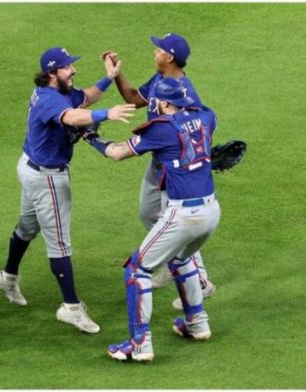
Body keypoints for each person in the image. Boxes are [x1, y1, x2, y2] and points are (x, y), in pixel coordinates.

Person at [0, 47, 135, 334]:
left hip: (30, 167)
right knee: (60, 244)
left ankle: (8, 276)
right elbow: (72, 118)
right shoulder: (48, 99)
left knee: (27, 226)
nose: (73, 70)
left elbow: (85, 98)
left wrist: (109, 78)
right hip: (47, 179)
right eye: (67, 67)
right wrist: (108, 113)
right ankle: (71, 307)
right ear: (51, 73)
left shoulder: (60, 90)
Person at [84, 77, 219, 362]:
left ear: (165, 103)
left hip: (184, 214)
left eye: (157, 98)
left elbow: (118, 152)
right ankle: (197, 323)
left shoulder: (162, 130)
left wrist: (91, 138)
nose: (152, 101)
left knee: (136, 270)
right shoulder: (207, 117)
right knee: (182, 259)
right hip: (211, 211)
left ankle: (140, 344)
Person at [102, 33, 216, 309]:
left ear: (170, 57)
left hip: (173, 168)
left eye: (159, 50)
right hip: (157, 159)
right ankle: (172, 259)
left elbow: (197, 127)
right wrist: (116, 74)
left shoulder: (184, 92)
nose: (154, 52)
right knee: (147, 213)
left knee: (175, 220)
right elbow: (131, 97)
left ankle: (200, 280)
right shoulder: (159, 80)